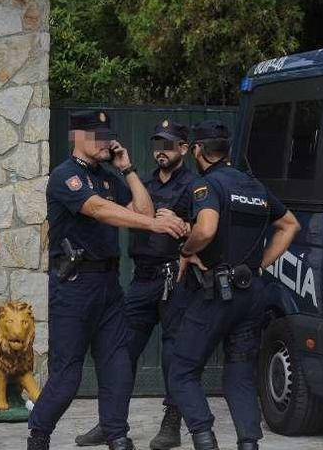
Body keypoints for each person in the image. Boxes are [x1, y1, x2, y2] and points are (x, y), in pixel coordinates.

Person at [27, 111, 187, 450]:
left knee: (117, 366)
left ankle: (117, 436)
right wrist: (154, 226)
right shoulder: (65, 176)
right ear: (78, 137)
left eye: (107, 135)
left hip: (108, 286)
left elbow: (143, 211)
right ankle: (38, 435)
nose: (106, 141)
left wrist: (127, 169)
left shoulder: (107, 176)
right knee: (67, 376)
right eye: (97, 135)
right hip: (74, 286)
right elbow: (99, 210)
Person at [168, 121, 301, 450]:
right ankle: (248, 444)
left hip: (217, 293)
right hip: (251, 293)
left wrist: (186, 250)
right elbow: (289, 225)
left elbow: (207, 228)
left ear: (198, 150)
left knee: (181, 369)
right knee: (240, 373)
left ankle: (204, 438)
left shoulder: (208, 185)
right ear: (226, 151)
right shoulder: (255, 187)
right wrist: (259, 265)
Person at [76, 120, 196, 449]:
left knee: (174, 354)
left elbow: (205, 228)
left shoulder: (194, 186)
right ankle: (111, 422)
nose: (161, 151)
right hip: (142, 279)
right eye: (157, 144)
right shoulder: (142, 184)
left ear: (183, 149)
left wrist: (185, 227)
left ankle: (171, 424)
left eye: (169, 145)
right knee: (120, 352)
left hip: (175, 280)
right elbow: (127, 213)